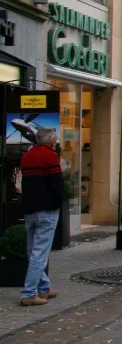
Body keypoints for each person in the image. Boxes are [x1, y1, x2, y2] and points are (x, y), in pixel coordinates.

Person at [18, 128, 64, 307]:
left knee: (32, 252)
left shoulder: (27, 156)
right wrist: (58, 203)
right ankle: (29, 294)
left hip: (30, 210)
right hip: (47, 210)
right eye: (56, 139)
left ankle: (44, 287)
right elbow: (57, 185)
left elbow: (24, 183)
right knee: (40, 253)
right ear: (51, 141)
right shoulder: (51, 156)